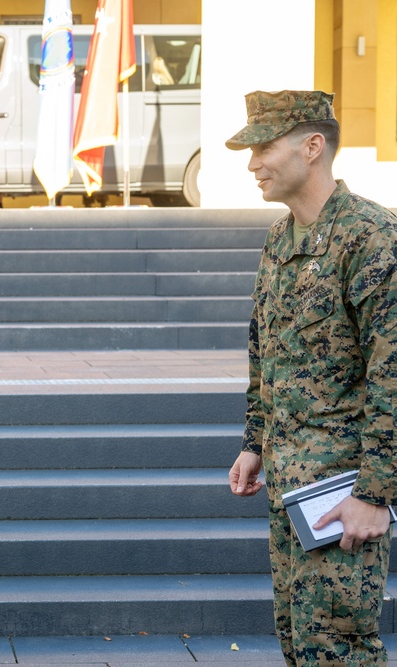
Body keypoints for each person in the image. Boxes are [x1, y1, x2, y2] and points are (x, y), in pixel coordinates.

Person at [227, 90, 397, 666]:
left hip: (344, 492)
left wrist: (376, 494)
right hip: (290, 487)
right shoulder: (281, 240)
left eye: (263, 148)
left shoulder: (372, 238)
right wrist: (255, 442)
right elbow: (265, 352)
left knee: (339, 650)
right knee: (299, 643)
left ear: (313, 147)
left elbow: (393, 377)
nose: (252, 164)